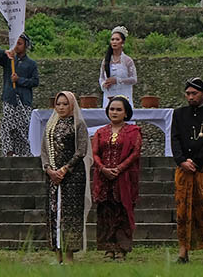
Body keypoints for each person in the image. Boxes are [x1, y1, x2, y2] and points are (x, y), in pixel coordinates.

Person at [170, 77, 203, 264]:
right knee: (183, 210)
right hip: (183, 168)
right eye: (188, 94)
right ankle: (183, 251)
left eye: (194, 93)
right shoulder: (179, 114)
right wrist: (182, 161)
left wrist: (197, 161)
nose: (191, 97)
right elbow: (175, 139)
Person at [41, 90, 92, 263]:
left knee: (70, 215)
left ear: (72, 105)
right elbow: (44, 151)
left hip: (73, 176)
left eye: (65, 104)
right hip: (52, 177)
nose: (61, 107)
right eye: (58, 104)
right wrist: (49, 170)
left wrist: (64, 169)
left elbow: (81, 150)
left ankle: (69, 256)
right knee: (54, 213)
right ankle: (57, 255)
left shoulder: (78, 125)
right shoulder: (50, 126)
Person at [91, 95, 141, 260]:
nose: (114, 112)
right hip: (103, 178)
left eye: (119, 109)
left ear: (126, 113)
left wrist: (119, 168)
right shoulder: (100, 132)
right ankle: (108, 249)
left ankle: (122, 248)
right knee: (105, 212)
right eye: (112, 109)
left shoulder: (133, 132)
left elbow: (135, 153)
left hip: (124, 178)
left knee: (122, 211)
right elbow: (95, 153)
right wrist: (103, 168)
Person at [0, 32, 39, 156]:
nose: (17, 46)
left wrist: (19, 80)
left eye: (20, 44)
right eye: (15, 43)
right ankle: (9, 152)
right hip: (9, 99)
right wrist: (5, 52)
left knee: (23, 128)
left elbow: (35, 81)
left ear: (26, 45)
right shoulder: (8, 60)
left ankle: (24, 153)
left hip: (24, 100)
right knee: (7, 126)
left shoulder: (31, 64)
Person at [99, 26, 137, 108]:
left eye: (117, 39)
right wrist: (104, 84)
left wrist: (117, 80)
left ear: (122, 42)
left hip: (124, 96)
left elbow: (134, 79)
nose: (114, 42)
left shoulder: (128, 60)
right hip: (109, 96)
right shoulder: (106, 61)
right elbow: (101, 77)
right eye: (112, 39)